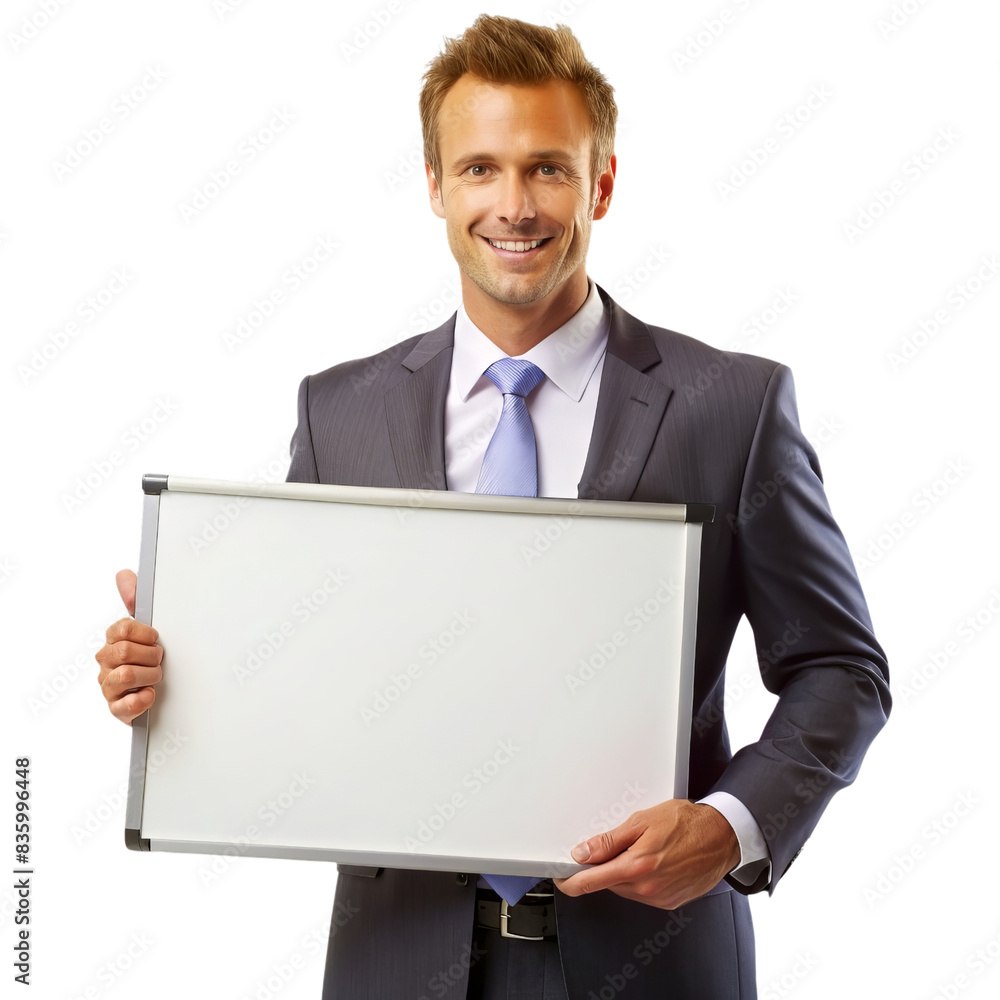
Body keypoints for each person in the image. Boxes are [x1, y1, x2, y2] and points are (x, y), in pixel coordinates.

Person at [96, 14, 890, 999]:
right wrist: (174, 679)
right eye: (480, 169)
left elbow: (839, 669)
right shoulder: (341, 413)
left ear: (601, 184)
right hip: (398, 960)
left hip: (656, 961)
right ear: (436, 185)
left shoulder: (731, 406)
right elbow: (307, 672)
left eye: (547, 168)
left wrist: (729, 828)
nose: (513, 205)